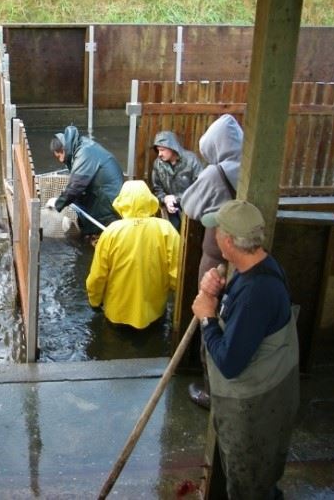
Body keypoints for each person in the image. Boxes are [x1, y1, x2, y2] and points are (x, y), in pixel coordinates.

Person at [192, 199, 299, 500]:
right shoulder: (256, 265)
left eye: (216, 231)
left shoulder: (257, 292)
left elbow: (229, 362)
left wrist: (206, 315)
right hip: (264, 395)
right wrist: (218, 291)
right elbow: (245, 321)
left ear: (227, 240)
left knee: (249, 488)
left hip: (257, 408)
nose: (213, 236)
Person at [180, 113, 244, 409]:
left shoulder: (216, 173)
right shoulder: (253, 166)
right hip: (248, 261)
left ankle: (211, 391)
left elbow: (189, 206)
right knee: (237, 325)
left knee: (211, 319)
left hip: (217, 260)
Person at [86, 180, 180, 329]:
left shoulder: (111, 232)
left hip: (117, 313)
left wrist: (94, 301)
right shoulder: (166, 230)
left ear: (122, 202)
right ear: (149, 199)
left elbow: (98, 275)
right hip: (154, 312)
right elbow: (177, 273)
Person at [46, 125, 124, 237]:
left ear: (63, 149)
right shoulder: (81, 147)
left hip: (109, 198)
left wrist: (58, 203)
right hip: (103, 191)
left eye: (60, 155)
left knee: (100, 231)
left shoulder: (84, 152)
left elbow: (76, 186)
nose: (61, 160)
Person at [150, 130, 203, 231]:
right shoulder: (158, 164)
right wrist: (165, 199)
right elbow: (156, 188)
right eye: (158, 150)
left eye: (162, 150)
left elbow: (200, 187)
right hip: (170, 210)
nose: (159, 154)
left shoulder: (192, 160)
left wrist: (176, 198)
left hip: (191, 208)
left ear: (172, 148)